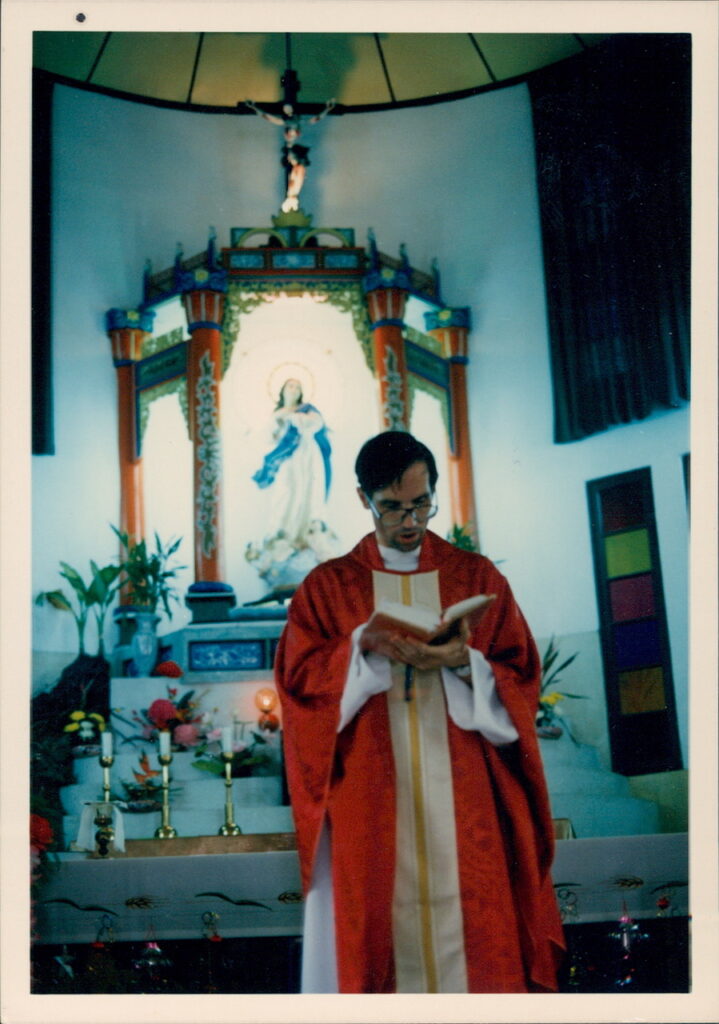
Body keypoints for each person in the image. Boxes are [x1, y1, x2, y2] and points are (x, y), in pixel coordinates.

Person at [274, 431, 565, 994]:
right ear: (364, 498)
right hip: (369, 794)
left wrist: (465, 665)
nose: (410, 520)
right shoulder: (328, 588)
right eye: (392, 507)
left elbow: (521, 673)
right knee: (378, 934)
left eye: (422, 503)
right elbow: (300, 688)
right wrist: (361, 647)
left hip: (466, 791)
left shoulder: (476, 578)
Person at [251, 378, 332, 551]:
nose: (294, 389)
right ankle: (281, 530)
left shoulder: (307, 409)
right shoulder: (276, 413)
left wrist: (294, 417)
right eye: (290, 385)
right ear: (282, 390)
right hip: (286, 459)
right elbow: (267, 438)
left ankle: (306, 530)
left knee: (307, 489)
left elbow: (316, 423)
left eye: (298, 387)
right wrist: (278, 421)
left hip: (306, 454)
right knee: (285, 490)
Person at [244, 98, 335, 212]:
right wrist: (254, 107)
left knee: (299, 172)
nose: (287, 110)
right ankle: (292, 196)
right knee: (296, 172)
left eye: (288, 107)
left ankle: (292, 196)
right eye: (285, 108)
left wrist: (327, 109)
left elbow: (317, 118)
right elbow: (268, 117)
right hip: (293, 150)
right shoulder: (286, 122)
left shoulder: (301, 121)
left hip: (299, 150)